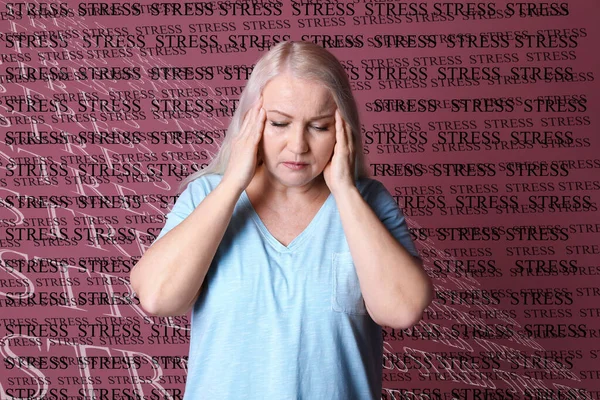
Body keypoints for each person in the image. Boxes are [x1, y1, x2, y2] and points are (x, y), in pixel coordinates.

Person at [131, 41, 433, 399]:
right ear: (251, 121)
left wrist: (345, 191)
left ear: (342, 129)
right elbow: (157, 298)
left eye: (319, 127)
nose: (298, 145)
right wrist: (232, 185)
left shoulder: (368, 202)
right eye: (279, 123)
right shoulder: (204, 197)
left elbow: (400, 310)